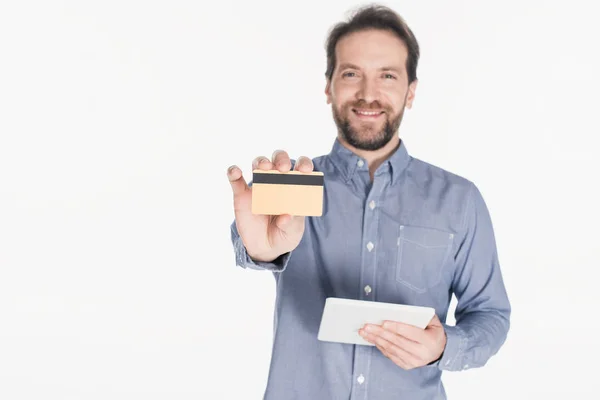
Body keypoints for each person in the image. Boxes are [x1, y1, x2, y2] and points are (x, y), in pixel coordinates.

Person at [226, 4, 510, 399]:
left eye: (388, 76)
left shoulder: (460, 201)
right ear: (328, 87)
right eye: (351, 73)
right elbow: (252, 241)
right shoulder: (294, 186)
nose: (368, 94)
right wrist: (260, 250)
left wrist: (443, 345)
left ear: (411, 91)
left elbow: (491, 315)